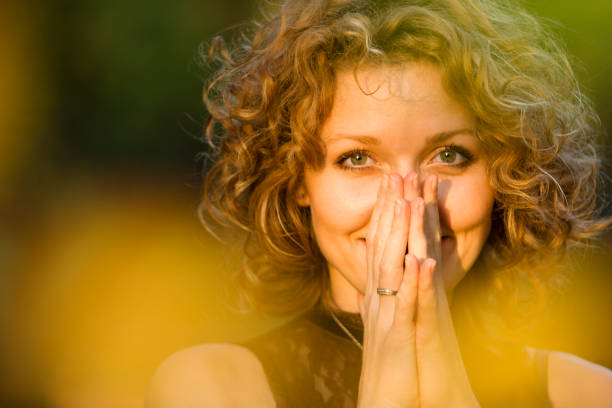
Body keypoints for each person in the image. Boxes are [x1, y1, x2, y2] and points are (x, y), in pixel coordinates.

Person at [146, 0, 612, 406]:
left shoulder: (587, 394)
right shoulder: (212, 386)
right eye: (358, 159)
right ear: (298, 180)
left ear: (505, 176)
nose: (409, 199)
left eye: (449, 156)